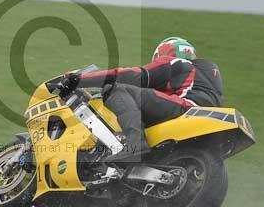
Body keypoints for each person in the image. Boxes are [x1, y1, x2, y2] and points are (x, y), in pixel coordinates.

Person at [60, 37, 224, 161]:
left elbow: (131, 75)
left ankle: (134, 143)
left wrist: (81, 79)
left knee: (116, 87)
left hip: (184, 107)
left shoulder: (174, 62)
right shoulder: (209, 74)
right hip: (198, 117)